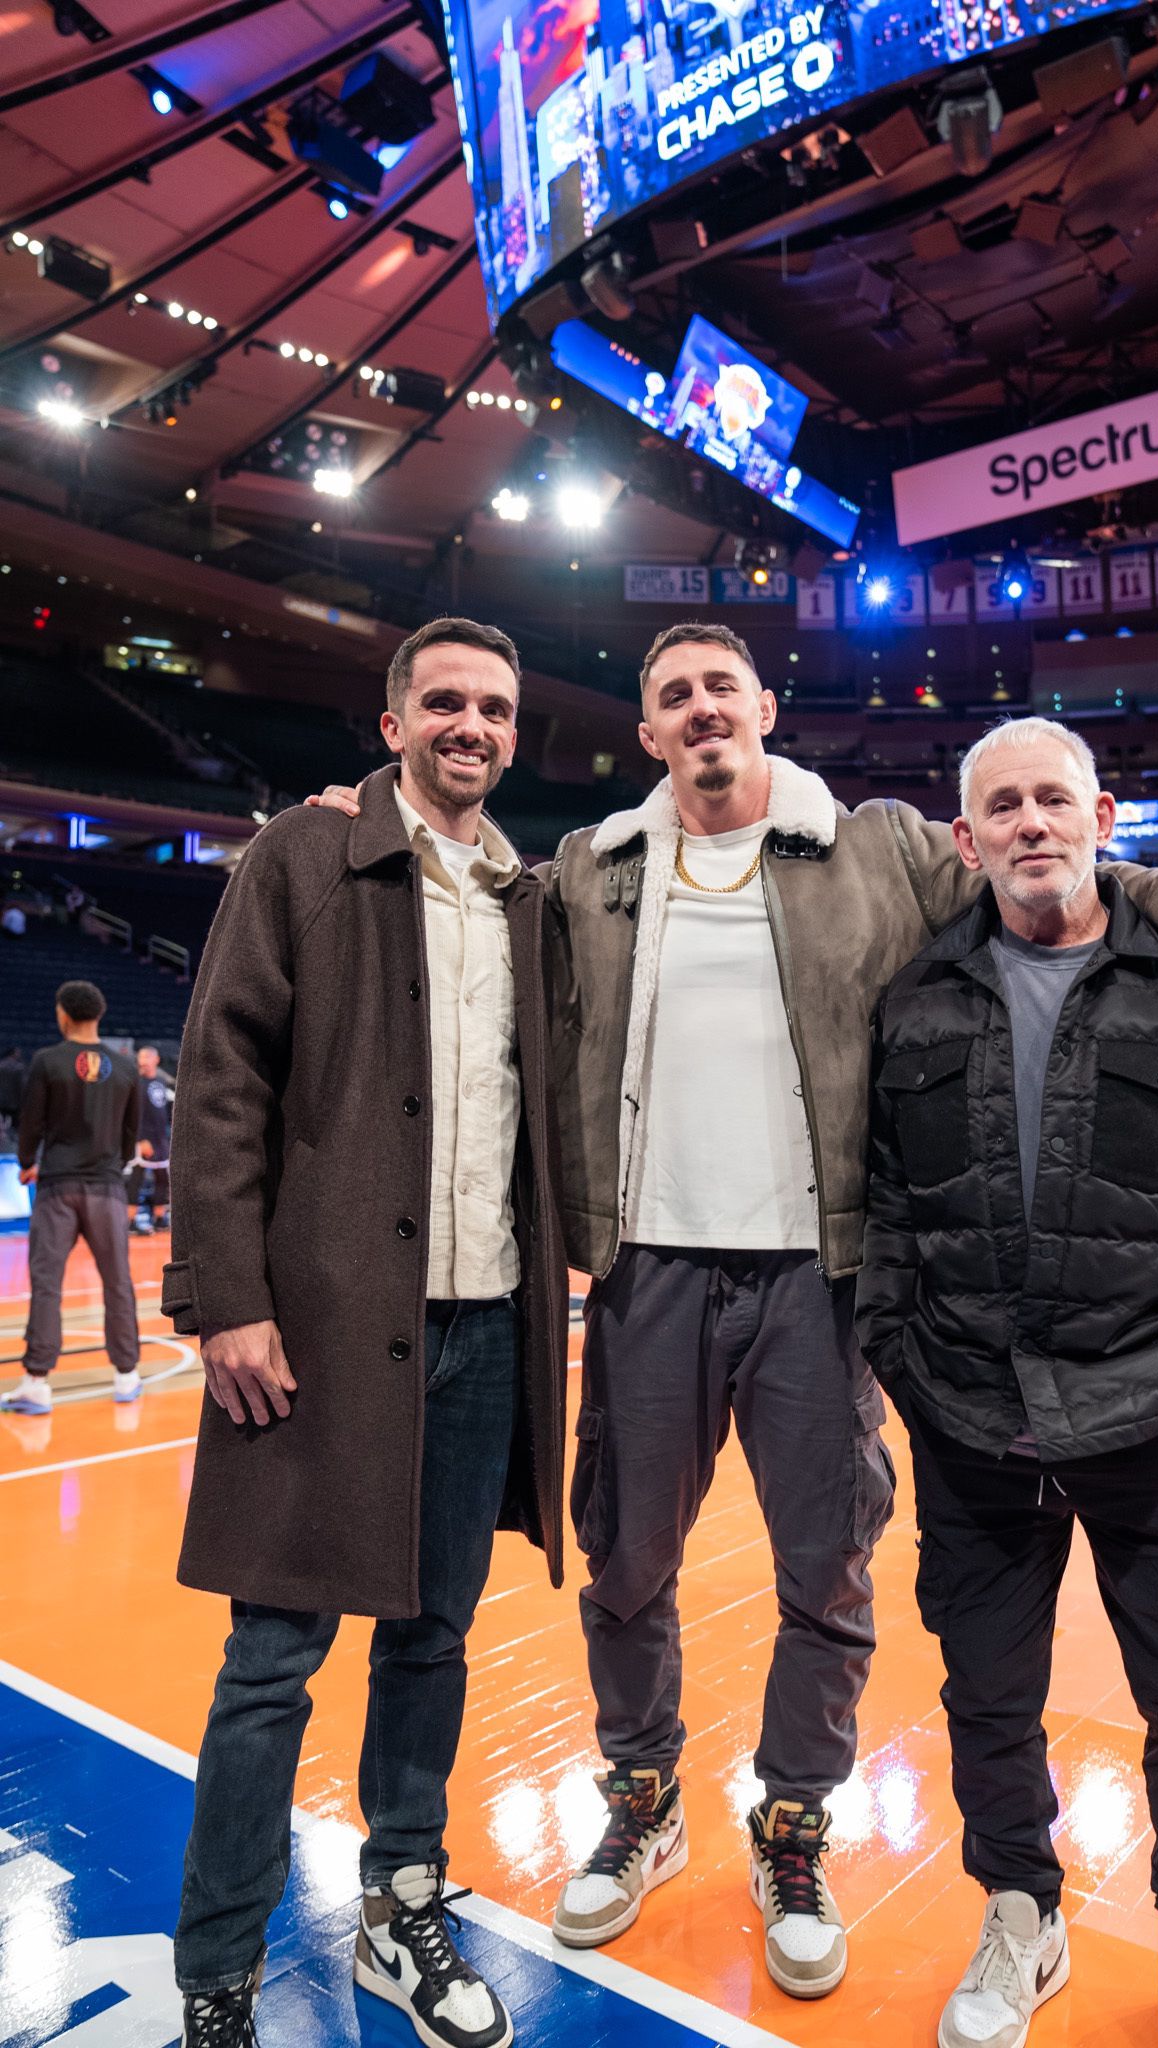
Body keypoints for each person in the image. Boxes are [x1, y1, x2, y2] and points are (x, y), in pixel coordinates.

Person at [313, 627, 1158, 1999]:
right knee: (625, 1558)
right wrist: (341, 813)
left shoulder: (875, 845)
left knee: (829, 1574)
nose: (701, 711)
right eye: (671, 696)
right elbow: (442, 877)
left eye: (720, 689)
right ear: (649, 735)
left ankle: (797, 1820)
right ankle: (641, 1796)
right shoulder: (591, 868)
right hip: (647, 1273)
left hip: (825, 1277)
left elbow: (1043, 862)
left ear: (765, 708)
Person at [855, 716, 1158, 2048]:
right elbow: (887, 1200)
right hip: (967, 1412)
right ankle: (1022, 1913)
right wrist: (899, 1343)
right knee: (987, 1698)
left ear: (1103, 816)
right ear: (965, 839)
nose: (1029, 825)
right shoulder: (917, 995)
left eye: (1052, 800)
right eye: (1000, 807)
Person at [163, 618, 567, 2048]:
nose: (471, 726)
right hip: (320, 1332)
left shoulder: (533, 894)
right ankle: (216, 1968)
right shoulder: (302, 856)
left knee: (433, 1640)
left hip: (484, 1328)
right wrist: (228, 1301)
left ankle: (403, 1907)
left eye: (495, 709)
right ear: (391, 722)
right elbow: (219, 1081)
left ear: (517, 734)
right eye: (444, 702)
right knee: (271, 1660)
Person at [2, 981, 142, 1416]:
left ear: (63, 1014)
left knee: (47, 1285)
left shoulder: (46, 1061)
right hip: (106, 1188)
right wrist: (111, 1166)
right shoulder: (126, 1068)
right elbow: (129, 1134)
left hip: (57, 1187)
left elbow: (31, 1123)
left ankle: (37, 1383)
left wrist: (27, 1159)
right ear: (98, 1015)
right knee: (118, 1283)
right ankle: (126, 1376)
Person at [128, 1044, 172, 1234]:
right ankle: (129, 1222)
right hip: (141, 1139)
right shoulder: (135, 1083)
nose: (143, 1061)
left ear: (156, 1060)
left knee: (162, 1179)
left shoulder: (162, 1082)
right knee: (135, 1179)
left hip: (160, 1138)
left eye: (147, 1057)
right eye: (141, 1057)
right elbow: (130, 1114)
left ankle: (159, 1218)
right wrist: (139, 1140)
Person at [0, 1044, 24, 1146]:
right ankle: (14, 1143)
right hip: (14, 1101)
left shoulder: (0, 1065)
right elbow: (21, 1086)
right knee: (15, 1125)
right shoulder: (19, 1068)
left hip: (1, 1100)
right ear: (13, 1053)